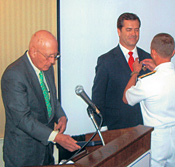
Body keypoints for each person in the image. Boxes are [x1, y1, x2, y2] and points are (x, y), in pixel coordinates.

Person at [1, 30, 81, 167]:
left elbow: (50, 98)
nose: (52, 62)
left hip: (45, 151)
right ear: (33, 52)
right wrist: (56, 137)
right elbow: (22, 119)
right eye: (49, 56)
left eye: (55, 56)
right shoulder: (14, 75)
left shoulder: (46, 67)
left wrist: (60, 116)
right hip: (23, 154)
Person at [123, 33, 175, 167]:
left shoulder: (147, 82)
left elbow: (126, 98)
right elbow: (168, 81)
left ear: (153, 52)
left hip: (158, 140)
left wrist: (135, 72)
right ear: (173, 52)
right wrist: (157, 69)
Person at [92, 12, 151, 130]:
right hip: (116, 128)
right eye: (129, 29)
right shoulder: (105, 61)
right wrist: (102, 127)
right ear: (119, 31)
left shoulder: (148, 58)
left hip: (145, 127)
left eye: (136, 29)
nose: (134, 34)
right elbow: (98, 98)